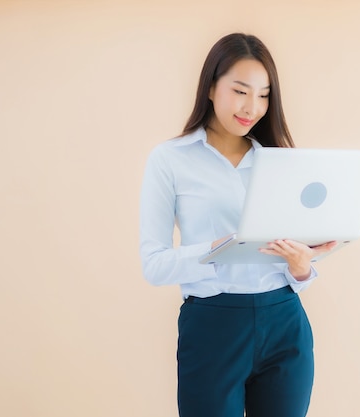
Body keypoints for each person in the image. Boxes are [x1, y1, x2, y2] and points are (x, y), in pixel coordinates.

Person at [139, 33, 337, 417]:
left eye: (264, 95)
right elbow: (154, 264)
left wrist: (302, 267)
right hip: (212, 326)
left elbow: (291, 261)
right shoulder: (169, 160)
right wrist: (222, 247)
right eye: (241, 91)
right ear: (211, 86)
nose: (253, 107)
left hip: (285, 323)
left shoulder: (280, 162)